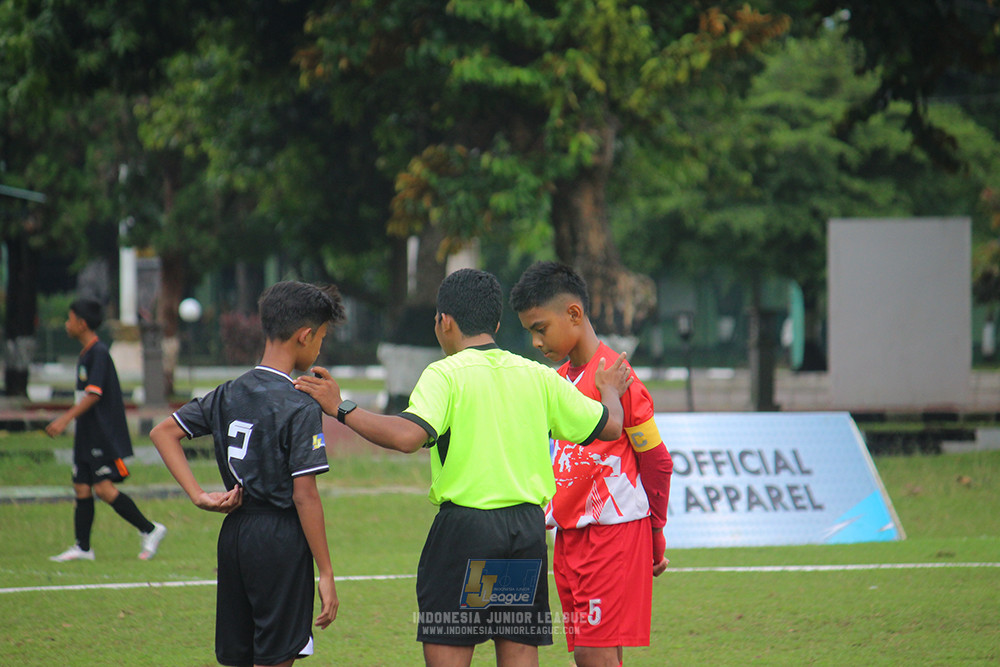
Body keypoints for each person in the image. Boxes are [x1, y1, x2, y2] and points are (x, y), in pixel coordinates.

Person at [294, 268, 633, 667]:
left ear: (444, 322)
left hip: (466, 533)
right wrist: (610, 391)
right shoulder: (537, 376)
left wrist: (341, 408)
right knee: (517, 652)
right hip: (523, 534)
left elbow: (408, 436)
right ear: (497, 323)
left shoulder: (445, 373)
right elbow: (611, 426)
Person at [150, 281, 344, 667]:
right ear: (305, 336)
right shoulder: (299, 404)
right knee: (275, 657)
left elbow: (163, 432)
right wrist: (325, 571)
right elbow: (305, 495)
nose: (320, 347)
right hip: (279, 539)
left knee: (241, 656)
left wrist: (198, 495)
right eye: (321, 338)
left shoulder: (228, 392)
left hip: (235, 535)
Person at [510, 261, 673, 667]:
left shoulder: (619, 379)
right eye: (530, 330)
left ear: (574, 314)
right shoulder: (557, 381)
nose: (534, 341)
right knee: (595, 653)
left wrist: (656, 532)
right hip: (568, 538)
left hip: (612, 536)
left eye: (540, 328)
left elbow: (656, 461)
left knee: (591, 653)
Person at [46, 298, 167, 562]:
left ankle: (150, 529)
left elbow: (93, 395)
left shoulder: (98, 353)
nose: (66, 324)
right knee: (81, 486)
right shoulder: (86, 353)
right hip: (86, 433)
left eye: (69, 319)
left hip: (100, 433)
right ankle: (83, 547)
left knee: (103, 488)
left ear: (82, 323)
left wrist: (64, 419)